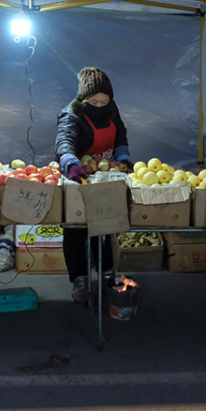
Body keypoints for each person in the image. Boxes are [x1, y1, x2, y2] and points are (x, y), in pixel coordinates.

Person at [55, 67, 133, 305]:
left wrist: (124, 158)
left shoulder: (111, 110)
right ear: (83, 98)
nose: (100, 105)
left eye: (104, 100)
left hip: (105, 175)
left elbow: (120, 136)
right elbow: (64, 141)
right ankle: (80, 281)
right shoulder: (72, 114)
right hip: (78, 175)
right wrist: (72, 164)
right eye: (94, 101)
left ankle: (108, 275)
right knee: (76, 229)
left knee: (106, 223)